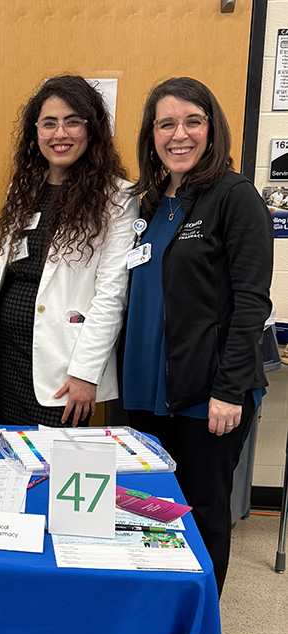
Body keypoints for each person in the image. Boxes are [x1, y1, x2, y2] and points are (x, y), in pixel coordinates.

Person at [122, 77, 273, 594]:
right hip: (145, 392)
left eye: (193, 121)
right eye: (166, 123)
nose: (179, 134)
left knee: (202, 511)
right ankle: (160, 605)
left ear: (212, 129)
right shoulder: (148, 203)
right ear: (151, 134)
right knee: (148, 508)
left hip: (206, 395)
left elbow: (252, 301)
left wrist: (229, 390)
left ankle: (200, 617)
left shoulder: (235, 197)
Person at [0, 75, 137, 427]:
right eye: (49, 123)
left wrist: (86, 373)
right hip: (8, 358)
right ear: (36, 131)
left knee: (50, 466)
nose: (59, 133)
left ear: (92, 129)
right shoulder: (24, 189)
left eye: (72, 122)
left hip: (62, 366)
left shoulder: (117, 199)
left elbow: (112, 296)